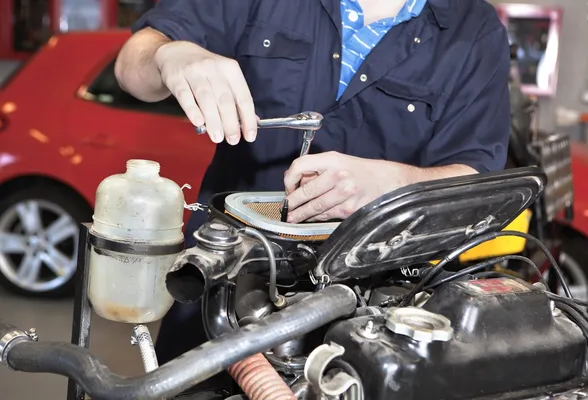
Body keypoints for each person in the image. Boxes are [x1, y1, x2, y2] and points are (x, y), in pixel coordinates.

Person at [115, 0, 511, 391]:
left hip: (368, 313)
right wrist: (169, 54)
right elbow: (131, 67)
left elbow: (476, 177)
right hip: (222, 283)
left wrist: (390, 185)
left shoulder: (474, 29)